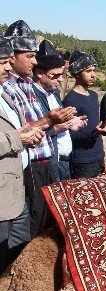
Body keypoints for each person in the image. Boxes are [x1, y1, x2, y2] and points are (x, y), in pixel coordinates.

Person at [2, 20, 75, 237]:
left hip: (45, 163)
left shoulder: (26, 85)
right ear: (12, 57)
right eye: (30, 56)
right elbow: (19, 133)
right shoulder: (8, 87)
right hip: (26, 169)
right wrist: (50, 121)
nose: (34, 62)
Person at [0, 36, 46, 271]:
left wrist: (29, 134)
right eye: (1, 63)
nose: (7, 67)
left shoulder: (4, 94)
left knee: (16, 258)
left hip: (16, 196)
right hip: (2, 199)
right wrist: (18, 138)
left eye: (7, 61)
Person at [32, 40, 86, 181]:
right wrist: (55, 129)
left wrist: (71, 123)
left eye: (62, 74)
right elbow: (28, 132)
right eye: (54, 76)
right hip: (48, 165)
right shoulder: (31, 97)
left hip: (64, 162)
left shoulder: (53, 93)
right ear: (38, 73)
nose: (60, 80)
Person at [63, 50, 106, 179]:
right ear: (77, 73)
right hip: (82, 161)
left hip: (98, 156)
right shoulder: (71, 99)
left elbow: (95, 124)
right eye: (88, 71)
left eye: (94, 70)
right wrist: (95, 133)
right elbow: (70, 134)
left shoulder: (93, 95)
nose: (93, 75)